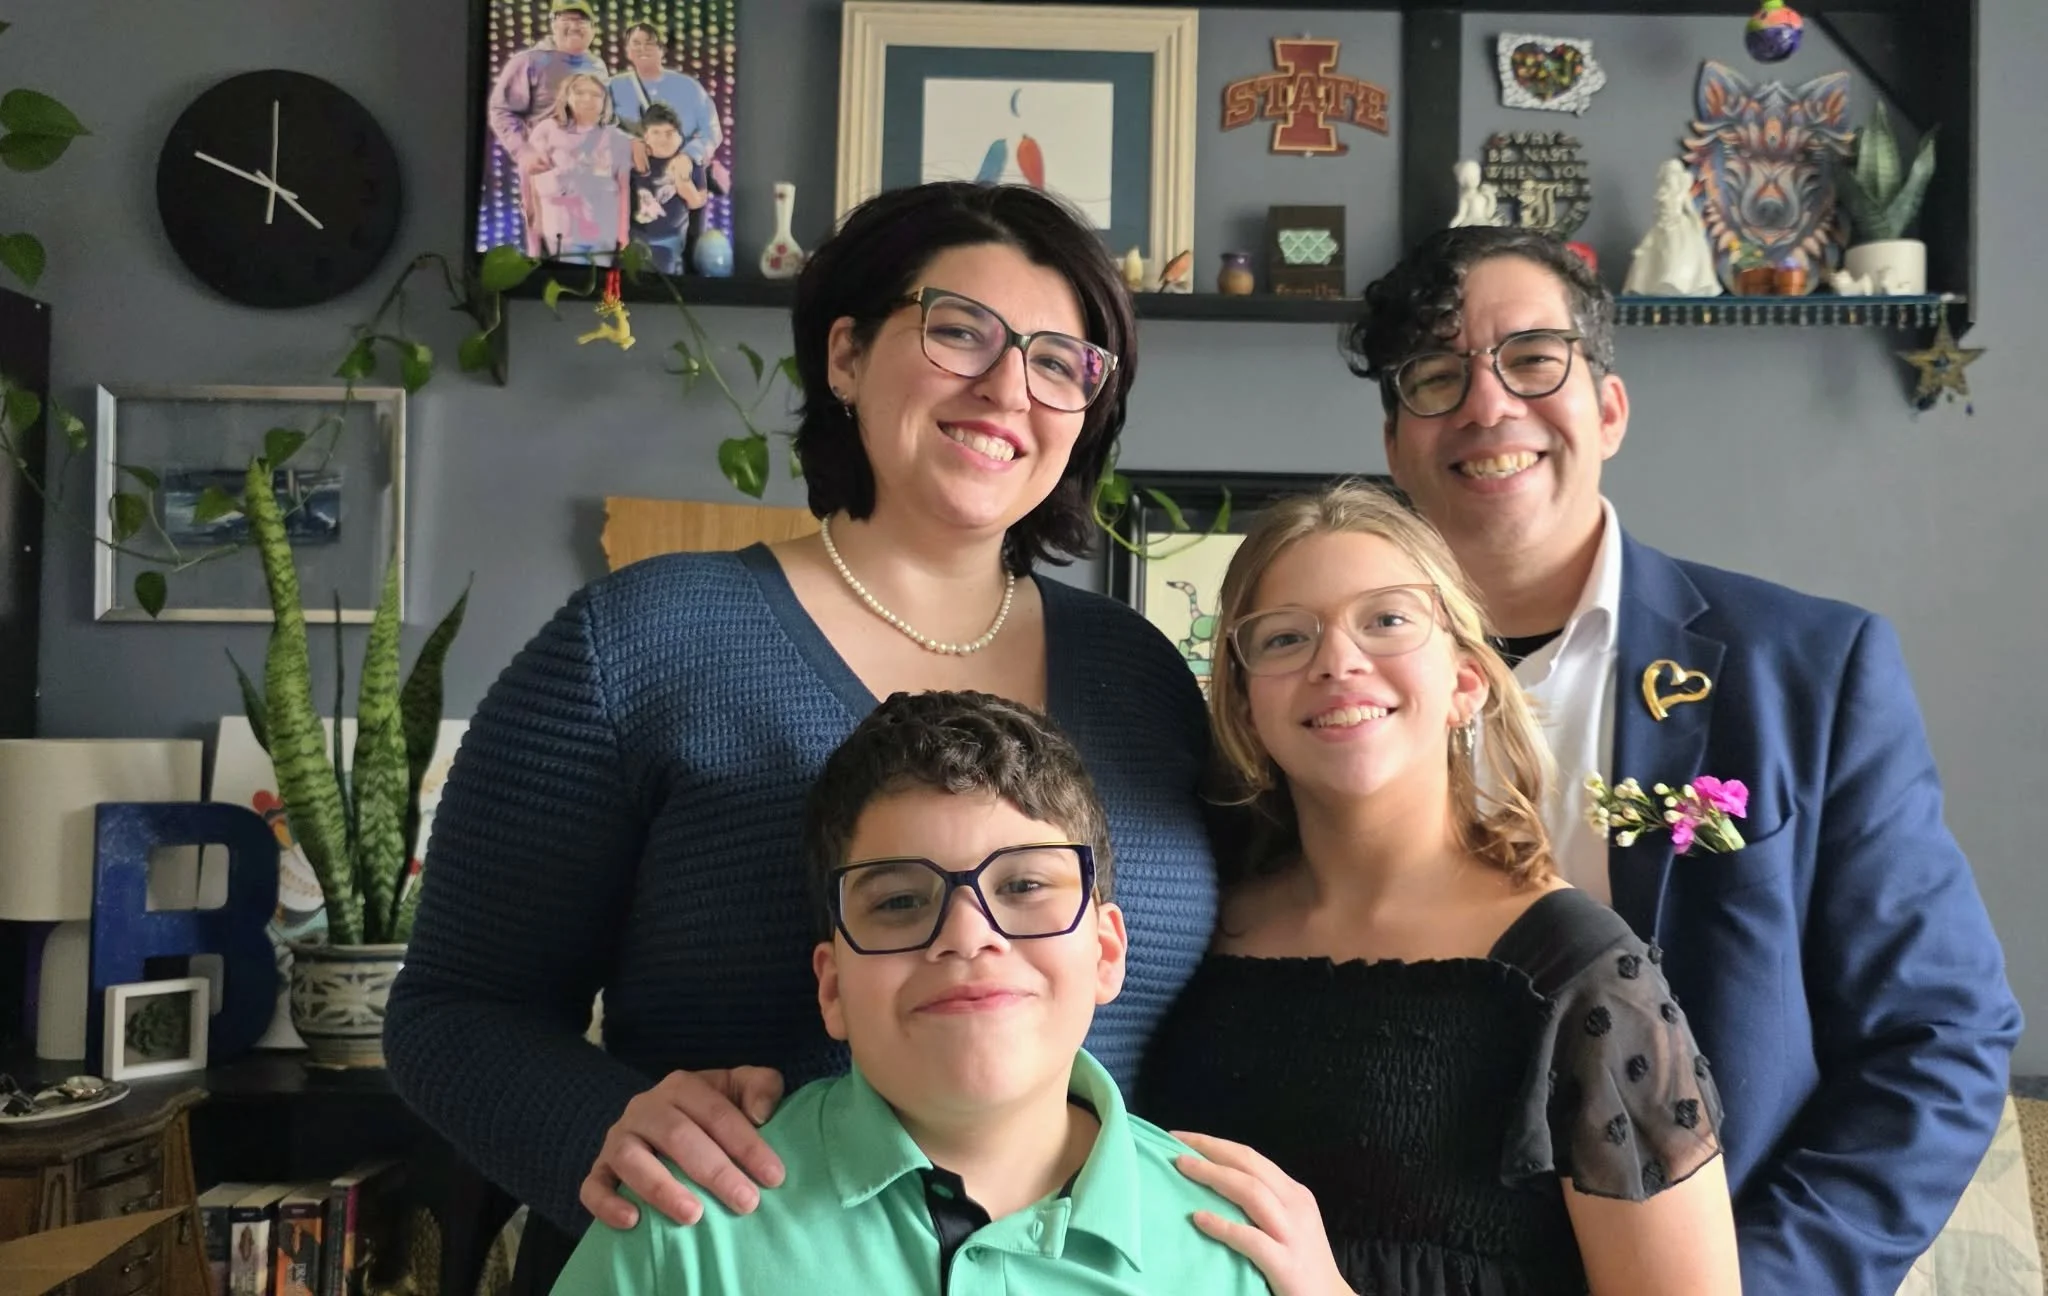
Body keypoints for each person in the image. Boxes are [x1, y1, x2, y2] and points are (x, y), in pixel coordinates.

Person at [383, 181, 1220, 1290]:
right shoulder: (641, 642)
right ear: (844, 356)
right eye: (958, 329)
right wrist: (609, 1134)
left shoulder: (1145, 676)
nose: (1007, 386)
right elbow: (451, 1013)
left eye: (1060, 361)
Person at [1341, 224, 2021, 1292]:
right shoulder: (1308, 689)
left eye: (1531, 359)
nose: (1485, 406)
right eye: (1435, 375)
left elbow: (1937, 1034)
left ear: (1607, 408)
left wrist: (1753, 1285)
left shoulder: (1807, 669)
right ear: (1393, 443)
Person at [1137, 482, 1739, 1295]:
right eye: (1285, 638)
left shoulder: (1578, 972)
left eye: (1385, 621)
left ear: (1466, 681)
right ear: (1246, 708)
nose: (1337, 661)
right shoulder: (1196, 934)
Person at [552, 690, 1270, 1295]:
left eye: (1022, 886)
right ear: (832, 989)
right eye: (898, 901)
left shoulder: (1232, 1249)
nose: (966, 935)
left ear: (1106, 953)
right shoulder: (681, 1226)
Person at [485, 0, 610, 258]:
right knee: (543, 250)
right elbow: (500, 110)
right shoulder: (529, 61)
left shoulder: (597, 66)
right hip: (546, 171)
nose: (575, 26)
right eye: (567, 19)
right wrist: (524, 151)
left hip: (588, 174)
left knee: (589, 252)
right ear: (553, 23)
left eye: (582, 20)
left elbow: (605, 118)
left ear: (593, 28)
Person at [523, 72, 632, 264]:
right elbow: (530, 187)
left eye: (596, 94)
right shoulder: (547, 130)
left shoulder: (617, 138)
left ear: (605, 101)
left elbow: (623, 189)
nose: (587, 98)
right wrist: (534, 233)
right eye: (579, 92)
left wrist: (623, 235)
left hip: (603, 232)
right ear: (566, 96)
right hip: (561, 229)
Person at [628, 102, 705, 275]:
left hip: (670, 240)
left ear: (679, 136)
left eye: (669, 133)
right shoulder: (634, 162)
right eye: (656, 132)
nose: (663, 139)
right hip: (635, 240)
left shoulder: (690, 164)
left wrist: (685, 185)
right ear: (645, 137)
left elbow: (698, 202)